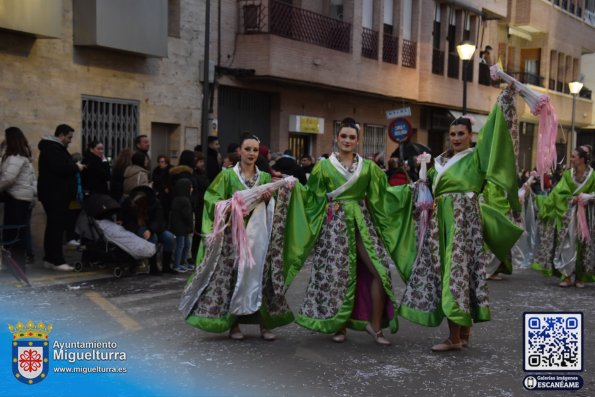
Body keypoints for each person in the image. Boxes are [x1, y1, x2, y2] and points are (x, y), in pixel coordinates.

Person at [398, 86, 523, 352]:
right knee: (455, 273)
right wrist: (419, 177)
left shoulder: (477, 157)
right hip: (441, 222)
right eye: (452, 134)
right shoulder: (440, 162)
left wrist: (504, 100)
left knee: (458, 273)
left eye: (461, 134)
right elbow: (426, 191)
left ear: (470, 136)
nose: (455, 138)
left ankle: (455, 337)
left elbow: (495, 132)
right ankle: (463, 333)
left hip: (465, 222)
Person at [284, 118, 413, 345]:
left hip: (362, 224)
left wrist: (411, 189)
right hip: (334, 227)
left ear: (357, 140)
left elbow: (384, 196)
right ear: (337, 138)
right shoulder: (323, 166)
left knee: (380, 272)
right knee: (338, 275)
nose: (347, 140)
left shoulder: (369, 168)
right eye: (343, 136)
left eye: (352, 137)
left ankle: (375, 326)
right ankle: (339, 325)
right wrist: (291, 189)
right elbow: (312, 198)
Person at [180, 133, 295, 341]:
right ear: (239, 151)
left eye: (254, 150)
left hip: (259, 236)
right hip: (234, 237)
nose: (251, 153)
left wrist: (269, 200)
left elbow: (274, 207)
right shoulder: (227, 176)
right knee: (234, 278)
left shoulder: (266, 178)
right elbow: (211, 200)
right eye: (247, 149)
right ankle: (233, 325)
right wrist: (232, 206)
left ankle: (264, 325)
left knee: (260, 277)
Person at [531, 146, 595, 288]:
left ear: (582, 159)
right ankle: (566, 275)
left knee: (583, 245)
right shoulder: (568, 175)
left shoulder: (593, 175)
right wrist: (571, 200)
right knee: (567, 244)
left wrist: (590, 197)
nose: (571, 159)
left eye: (573, 157)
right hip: (569, 216)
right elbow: (558, 194)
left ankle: (580, 277)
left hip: (586, 216)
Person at [37, 124, 85, 271]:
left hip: (55, 194)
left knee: (53, 227)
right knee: (56, 228)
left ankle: (50, 258)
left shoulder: (53, 148)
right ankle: (57, 260)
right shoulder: (52, 148)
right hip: (55, 194)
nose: (70, 141)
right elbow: (60, 168)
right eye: (69, 137)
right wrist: (76, 167)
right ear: (61, 135)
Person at [0, 127, 37, 270]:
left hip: (16, 199)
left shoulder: (15, 158)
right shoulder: (24, 157)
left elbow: (8, 178)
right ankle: (17, 266)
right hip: (23, 199)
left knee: (12, 234)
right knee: (18, 233)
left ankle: (15, 266)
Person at [119, 186, 175, 275]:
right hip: (138, 228)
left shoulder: (155, 203)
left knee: (169, 237)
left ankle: (166, 266)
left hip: (154, 227)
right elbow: (126, 218)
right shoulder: (129, 203)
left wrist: (150, 230)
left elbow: (158, 219)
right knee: (153, 239)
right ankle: (153, 266)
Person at [169, 178, 193, 272]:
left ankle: (182, 263)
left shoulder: (177, 199)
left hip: (181, 227)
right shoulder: (185, 200)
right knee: (181, 245)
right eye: (190, 187)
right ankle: (177, 265)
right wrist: (191, 225)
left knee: (185, 244)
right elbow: (186, 215)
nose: (192, 189)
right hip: (182, 227)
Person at [151, 155, 173, 221]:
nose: (161, 163)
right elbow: (155, 181)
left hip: (168, 194)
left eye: (162, 162)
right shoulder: (156, 170)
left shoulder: (171, 170)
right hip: (159, 193)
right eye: (159, 162)